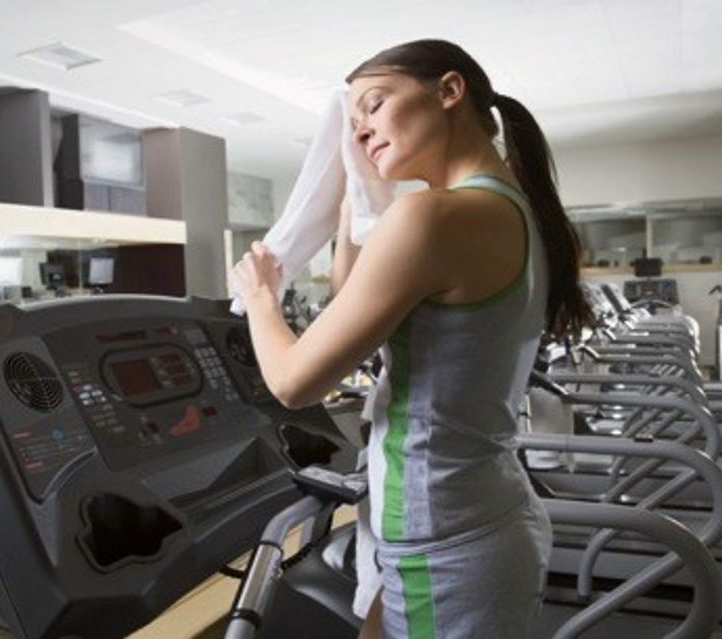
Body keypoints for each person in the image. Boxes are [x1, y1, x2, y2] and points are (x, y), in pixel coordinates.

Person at [231, 39, 590, 638]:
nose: (362, 131)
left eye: (374, 105)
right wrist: (357, 201)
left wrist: (260, 296)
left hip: (443, 537)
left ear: (449, 91)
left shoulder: (434, 217)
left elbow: (294, 382)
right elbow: (358, 300)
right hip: (472, 518)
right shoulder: (508, 209)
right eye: (352, 125)